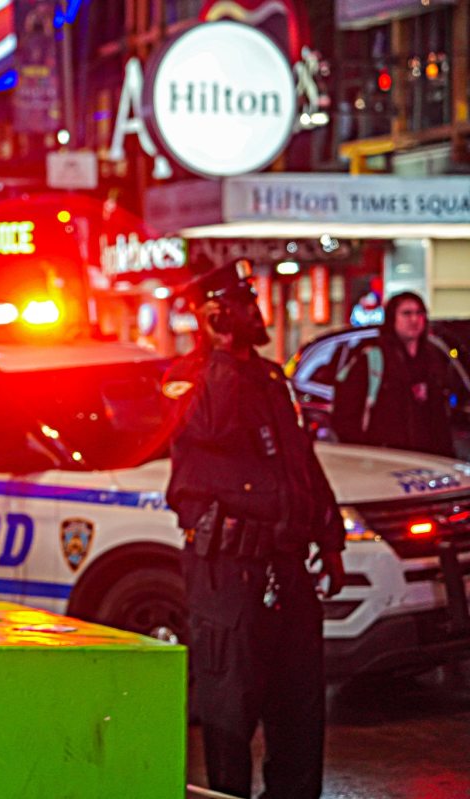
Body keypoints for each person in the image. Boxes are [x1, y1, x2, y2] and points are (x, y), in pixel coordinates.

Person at [164, 261, 346, 799]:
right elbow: (214, 428)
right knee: (230, 709)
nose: (255, 312)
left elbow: (301, 464)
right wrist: (220, 351)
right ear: (215, 314)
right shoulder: (190, 376)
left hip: (285, 567)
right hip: (228, 574)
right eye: (242, 304)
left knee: (299, 709)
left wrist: (330, 539)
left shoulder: (269, 377)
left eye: (250, 301)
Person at [331, 291, 456, 457]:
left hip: (429, 461)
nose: (414, 319)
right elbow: (345, 415)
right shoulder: (373, 359)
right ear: (392, 318)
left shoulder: (433, 358)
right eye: (406, 313)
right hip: (385, 461)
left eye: (419, 313)